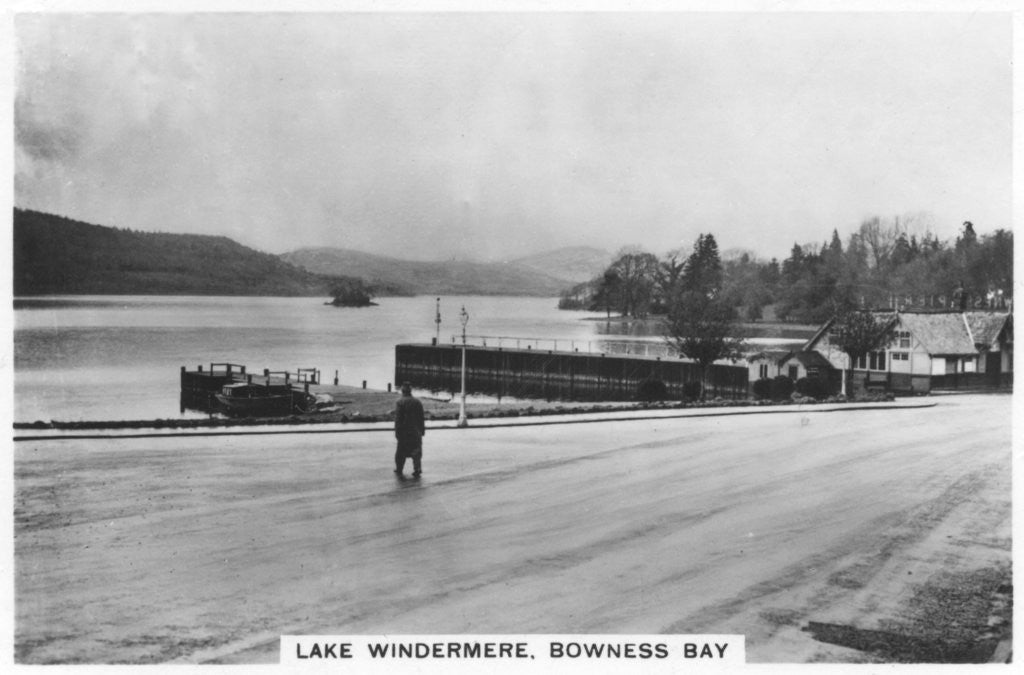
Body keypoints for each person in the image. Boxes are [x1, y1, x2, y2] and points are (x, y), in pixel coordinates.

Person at [393, 382, 425, 478]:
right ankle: (417, 468)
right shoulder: (417, 402)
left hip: (404, 432)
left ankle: (399, 468)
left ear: (403, 391)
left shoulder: (400, 402)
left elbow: (398, 419)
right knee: (416, 451)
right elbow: (421, 418)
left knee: (401, 452)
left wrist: (397, 432)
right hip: (416, 431)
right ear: (410, 391)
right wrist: (422, 431)